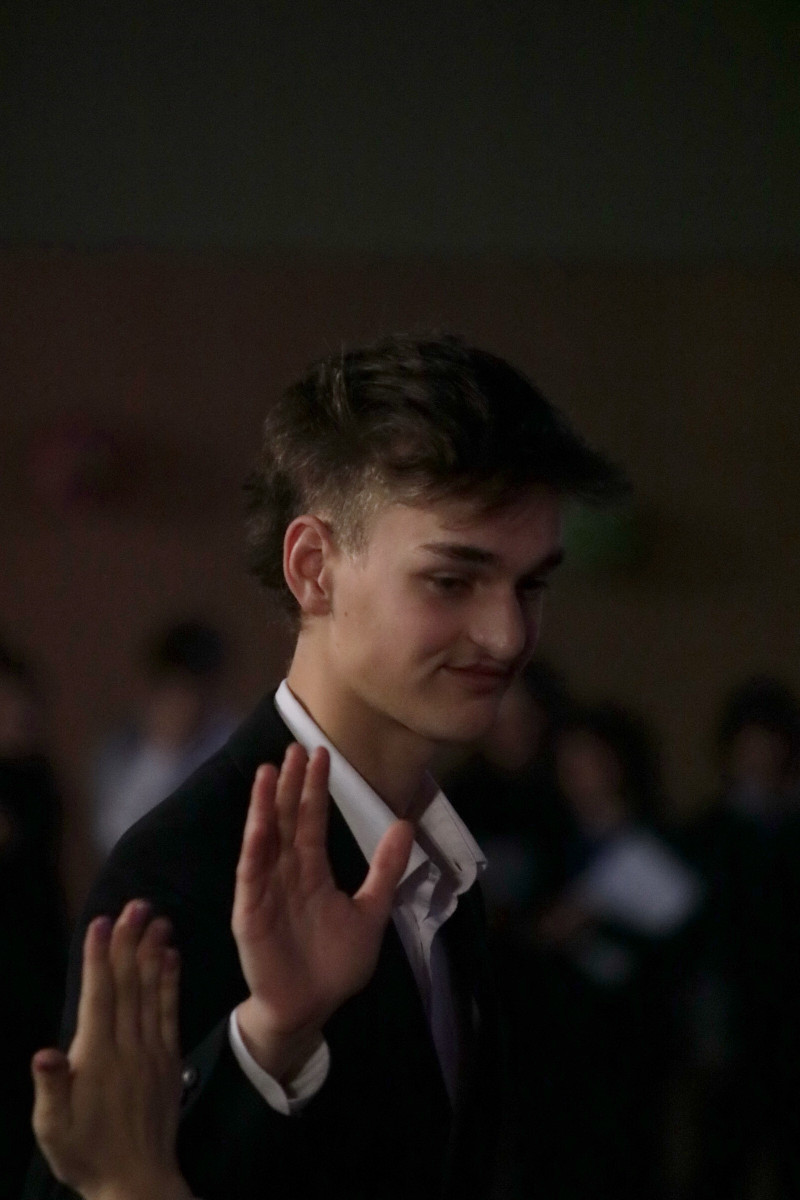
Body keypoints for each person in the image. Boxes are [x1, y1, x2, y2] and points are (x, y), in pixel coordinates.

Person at [26, 333, 625, 1200]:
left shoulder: (440, 863)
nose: (507, 636)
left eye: (531, 586)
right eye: (452, 581)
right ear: (314, 570)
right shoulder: (185, 868)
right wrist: (270, 1044)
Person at [92, 620, 237, 858]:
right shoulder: (122, 750)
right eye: (175, 691)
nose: (184, 706)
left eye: (193, 692)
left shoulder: (232, 746)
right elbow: (111, 832)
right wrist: (163, 752)